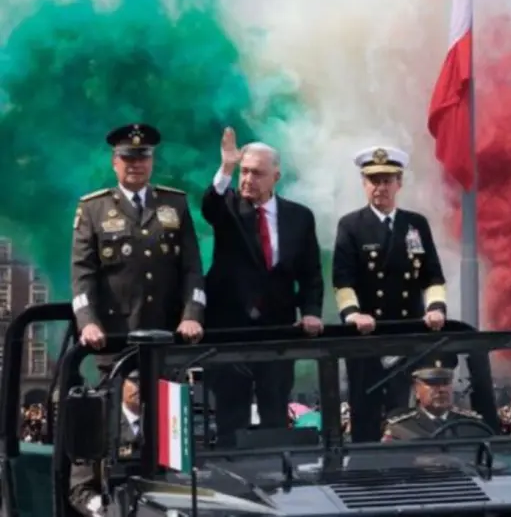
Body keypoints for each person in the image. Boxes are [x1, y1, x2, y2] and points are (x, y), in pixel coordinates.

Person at [201, 127, 324, 447]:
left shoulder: (299, 217)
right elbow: (209, 208)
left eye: (257, 173)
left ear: (275, 177)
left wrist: (311, 312)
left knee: (275, 413)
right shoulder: (229, 207)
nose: (248, 180)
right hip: (230, 331)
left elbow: (310, 273)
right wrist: (226, 167)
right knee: (231, 414)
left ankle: (278, 482)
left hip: (278, 332)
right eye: (244, 172)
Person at [332, 146, 447, 442]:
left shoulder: (415, 224)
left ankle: (408, 472)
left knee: (405, 413)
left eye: (386, 180)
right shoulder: (351, 226)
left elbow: (432, 275)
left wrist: (436, 308)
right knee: (364, 412)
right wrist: (353, 314)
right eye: (373, 180)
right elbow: (343, 281)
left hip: (408, 335)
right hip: (365, 339)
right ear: (364, 183)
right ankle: (364, 476)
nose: (380, 187)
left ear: (399, 183)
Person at [71, 123, 205, 365]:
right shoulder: (93, 209)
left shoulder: (175, 203)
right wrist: (88, 322)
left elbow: (192, 268)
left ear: (151, 162)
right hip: (115, 336)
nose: (136, 165)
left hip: (170, 334)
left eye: (143, 157)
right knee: (120, 402)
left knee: (171, 402)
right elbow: (82, 273)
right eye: (128, 158)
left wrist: (192, 315)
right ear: (115, 162)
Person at [69, 371, 142, 517]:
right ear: (120, 384)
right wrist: (104, 510)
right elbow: (80, 489)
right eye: (134, 381)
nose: (139, 387)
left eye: (144, 381)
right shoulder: (100, 427)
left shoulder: (164, 423)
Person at [381, 356, 485, 441]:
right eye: (433, 383)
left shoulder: (472, 425)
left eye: (445, 383)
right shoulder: (401, 428)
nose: (441, 389)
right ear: (416, 390)